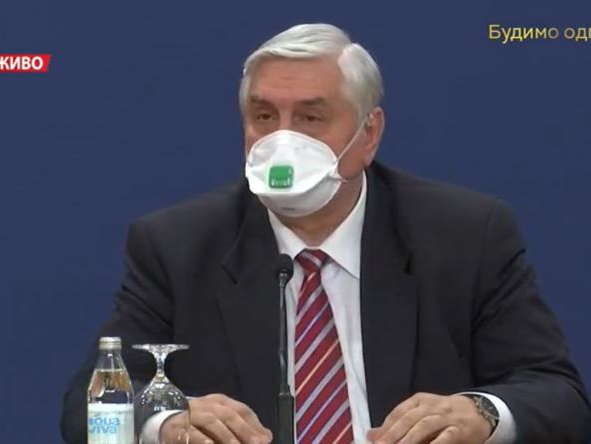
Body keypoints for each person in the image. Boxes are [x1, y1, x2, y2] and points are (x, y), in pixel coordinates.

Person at [61, 23, 591, 444]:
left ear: (369, 134)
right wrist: (167, 425)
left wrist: (481, 414)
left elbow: (558, 395)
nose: (282, 141)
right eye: (264, 116)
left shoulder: (465, 235)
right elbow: (86, 408)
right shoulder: (178, 245)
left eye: (311, 118)